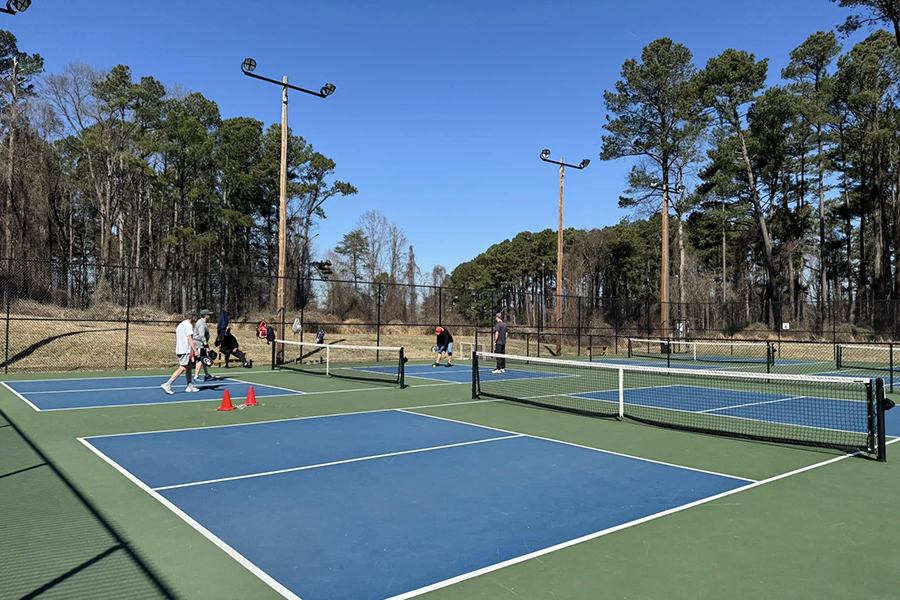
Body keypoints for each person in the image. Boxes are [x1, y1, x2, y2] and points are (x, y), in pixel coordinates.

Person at [161, 311, 200, 394]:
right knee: (183, 367)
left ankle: (189, 386)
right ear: (192, 317)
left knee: (189, 367)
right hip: (184, 350)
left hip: (181, 349)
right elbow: (189, 339)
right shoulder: (188, 325)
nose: (195, 319)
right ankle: (168, 384)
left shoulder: (180, 325)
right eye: (194, 317)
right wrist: (195, 350)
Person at [193, 309, 217, 382]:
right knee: (200, 360)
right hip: (199, 343)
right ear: (205, 315)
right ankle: (196, 377)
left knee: (204, 359)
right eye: (208, 314)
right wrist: (206, 346)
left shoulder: (203, 323)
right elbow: (201, 335)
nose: (210, 316)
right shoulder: (201, 323)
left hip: (201, 344)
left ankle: (207, 375)